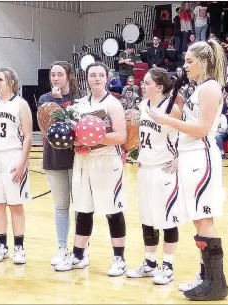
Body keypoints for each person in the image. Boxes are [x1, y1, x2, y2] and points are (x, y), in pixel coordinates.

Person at [148, 39, 228, 301]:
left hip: (202, 157)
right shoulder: (199, 88)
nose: (185, 66)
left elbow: (203, 129)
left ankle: (216, 284)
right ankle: (207, 277)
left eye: (189, 61)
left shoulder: (210, 88)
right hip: (190, 156)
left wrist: (168, 120)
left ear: (203, 62)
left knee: (204, 220)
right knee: (199, 219)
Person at [54, 62, 128, 277]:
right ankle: (78, 255)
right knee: (83, 209)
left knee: (113, 210)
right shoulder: (78, 105)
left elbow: (121, 136)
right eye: (92, 75)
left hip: (106, 161)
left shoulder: (113, 104)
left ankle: (119, 258)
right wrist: (76, 143)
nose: (96, 78)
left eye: (100, 75)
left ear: (107, 78)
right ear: (87, 78)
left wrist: (93, 139)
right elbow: (73, 135)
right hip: (83, 161)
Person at [125, 68, 186, 285]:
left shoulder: (173, 110)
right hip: (144, 168)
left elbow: (188, 136)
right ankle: (150, 263)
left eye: (147, 82)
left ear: (159, 87)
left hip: (164, 169)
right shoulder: (142, 106)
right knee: (147, 218)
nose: (143, 85)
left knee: (167, 218)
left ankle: (167, 265)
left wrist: (180, 159)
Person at [0, 67, 33, 265]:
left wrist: (23, 162)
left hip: (13, 155)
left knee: (16, 204)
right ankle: (1, 246)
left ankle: (19, 247)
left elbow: (28, 136)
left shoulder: (21, 104)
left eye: (0, 79)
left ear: (11, 82)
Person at [37, 61, 82, 266]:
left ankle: (81, 250)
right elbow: (50, 127)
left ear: (68, 76)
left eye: (59, 74)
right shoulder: (45, 100)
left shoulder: (79, 99)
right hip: (54, 157)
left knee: (81, 205)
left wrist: (62, 102)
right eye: (52, 75)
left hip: (77, 157)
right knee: (61, 205)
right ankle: (62, 248)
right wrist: (56, 102)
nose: (55, 78)